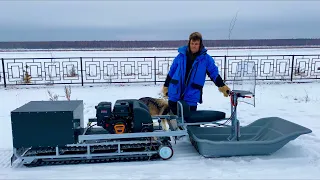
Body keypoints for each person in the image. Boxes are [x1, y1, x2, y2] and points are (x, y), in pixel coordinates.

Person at [161, 32, 230, 115]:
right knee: (174, 122)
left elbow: (214, 74)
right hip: (175, 93)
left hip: (191, 95)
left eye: (196, 44)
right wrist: (166, 86)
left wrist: (222, 86)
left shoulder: (206, 59)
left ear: (200, 45)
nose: (193, 46)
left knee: (191, 122)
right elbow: (171, 72)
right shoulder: (180, 56)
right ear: (189, 43)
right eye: (192, 43)